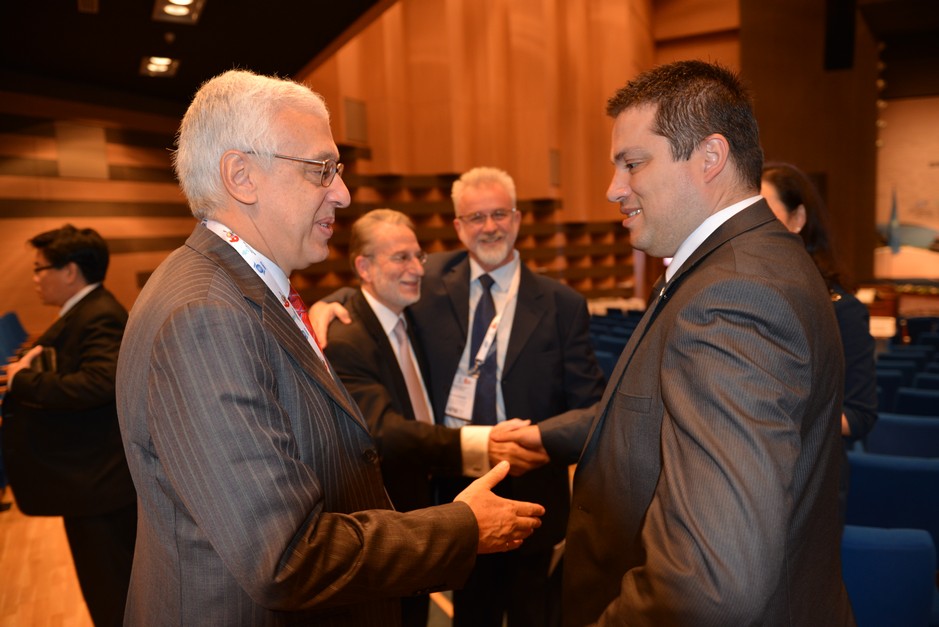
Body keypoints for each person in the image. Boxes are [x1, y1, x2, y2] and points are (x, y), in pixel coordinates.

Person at [115, 69, 544, 627]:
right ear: (241, 176)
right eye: (321, 169)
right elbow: (285, 557)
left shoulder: (230, 293)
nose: (342, 193)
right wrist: (462, 526)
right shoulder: (206, 317)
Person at [492, 60, 855, 625]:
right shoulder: (740, 265)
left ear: (710, 157)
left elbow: (710, 582)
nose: (613, 189)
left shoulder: (735, 295)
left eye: (632, 163)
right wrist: (546, 436)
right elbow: (654, 409)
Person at [316, 167, 606, 627]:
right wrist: (326, 304)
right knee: (470, 615)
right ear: (458, 226)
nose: (489, 227)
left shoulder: (562, 304)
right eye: (475, 217)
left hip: (532, 490)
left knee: (536, 614)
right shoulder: (427, 283)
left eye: (499, 214)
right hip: (453, 491)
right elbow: (371, 288)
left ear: (517, 218)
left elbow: (594, 410)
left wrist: (536, 439)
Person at [1, 224, 137, 626]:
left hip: (98, 484)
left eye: (40, 269)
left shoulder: (99, 314)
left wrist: (23, 380)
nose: (35, 278)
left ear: (70, 271)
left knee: (111, 590)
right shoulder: (85, 310)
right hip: (88, 482)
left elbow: (99, 382)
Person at [761, 162, 878, 520]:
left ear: (798, 219)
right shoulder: (740, 297)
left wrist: (774, 420)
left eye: (765, 213)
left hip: (807, 484)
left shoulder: (841, 309)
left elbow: (859, 414)